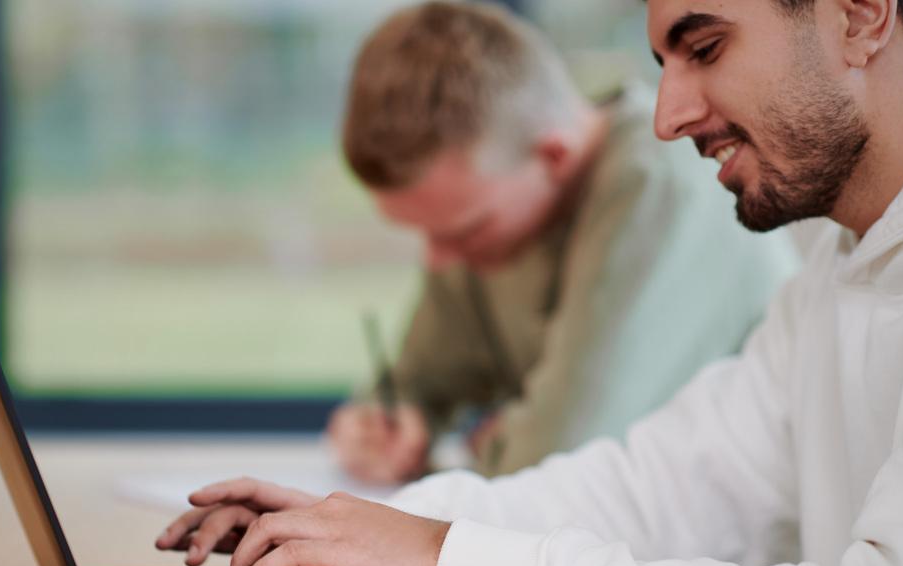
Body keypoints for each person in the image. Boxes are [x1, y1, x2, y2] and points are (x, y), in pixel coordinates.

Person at [157, 0, 903, 566]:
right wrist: (359, 530)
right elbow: (654, 490)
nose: (666, 116)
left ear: (861, 13)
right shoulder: (838, 275)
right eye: (664, 65)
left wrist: (447, 559)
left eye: (705, 47)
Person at [325, 2, 797, 483]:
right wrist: (382, 427)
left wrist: (498, 445)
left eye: (463, 231)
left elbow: (558, 458)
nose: (437, 260)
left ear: (553, 155)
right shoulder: (488, 208)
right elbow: (418, 384)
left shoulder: (660, 183)